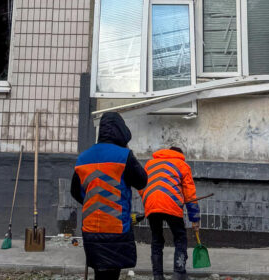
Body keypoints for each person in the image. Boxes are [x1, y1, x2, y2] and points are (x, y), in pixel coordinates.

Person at [71, 111, 148, 280]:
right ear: (121, 131)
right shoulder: (123, 155)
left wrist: (93, 203)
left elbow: (75, 192)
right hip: (116, 227)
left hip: (91, 228)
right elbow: (142, 181)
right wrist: (129, 154)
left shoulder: (82, 158)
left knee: (101, 273)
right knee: (112, 274)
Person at [142, 145, 200, 280]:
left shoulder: (150, 164)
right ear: (180, 154)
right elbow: (190, 194)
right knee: (180, 237)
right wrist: (195, 218)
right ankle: (179, 273)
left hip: (151, 203)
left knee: (156, 239)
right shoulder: (182, 164)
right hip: (171, 204)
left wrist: (150, 200)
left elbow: (142, 185)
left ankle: (157, 276)